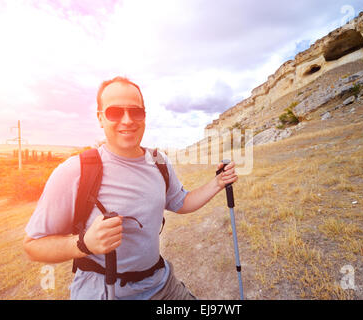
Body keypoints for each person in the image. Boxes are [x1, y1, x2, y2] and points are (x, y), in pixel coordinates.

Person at [23, 76, 238, 300]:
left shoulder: (159, 161)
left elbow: (181, 202)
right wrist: (84, 244)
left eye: (136, 112)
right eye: (115, 112)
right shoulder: (75, 171)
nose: (127, 120)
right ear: (100, 118)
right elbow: (32, 246)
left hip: (161, 284)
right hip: (105, 293)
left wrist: (218, 183)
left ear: (144, 116)